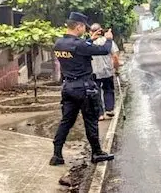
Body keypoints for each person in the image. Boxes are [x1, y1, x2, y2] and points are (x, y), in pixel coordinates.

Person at [50, 12, 115, 166]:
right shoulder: (79, 45)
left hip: (68, 88)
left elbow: (78, 47)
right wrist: (108, 39)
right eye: (83, 28)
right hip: (84, 88)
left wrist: (89, 40)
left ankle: (57, 155)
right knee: (91, 121)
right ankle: (97, 153)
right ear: (78, 26)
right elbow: (103, 50)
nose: (84, 31)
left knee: (66, 121)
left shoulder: (59, 43)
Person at [89, 23, 120, 120]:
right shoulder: (108, 42)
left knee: (96, 92)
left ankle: (99, 114)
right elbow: (115, 56)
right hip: (107, 71)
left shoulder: (89, 43)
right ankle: (109, 110)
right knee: (108, 90)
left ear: (91, 32)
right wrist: (116, 68)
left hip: (94, 72)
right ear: (101, 31)